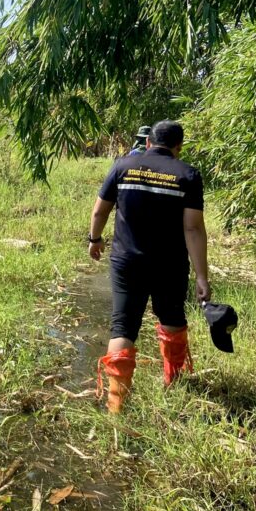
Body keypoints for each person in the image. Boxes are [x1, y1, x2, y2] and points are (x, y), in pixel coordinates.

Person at [87, 120, 211, 413]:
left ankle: (116, 405)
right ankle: (173, 382)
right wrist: (202, 276)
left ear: (147, 143)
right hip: (170, 264)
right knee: (172, 318)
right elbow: (193, 228)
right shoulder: (187, 174)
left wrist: (95, 239)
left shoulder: (123, 166)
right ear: (179, 147)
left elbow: (100, 210)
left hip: (127, 262)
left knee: (123, 326)